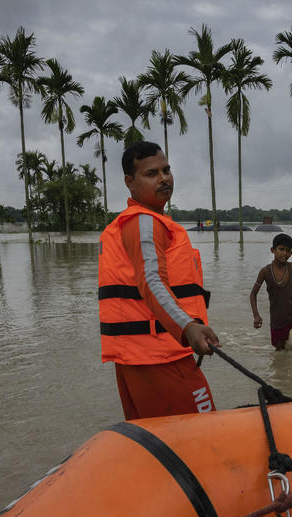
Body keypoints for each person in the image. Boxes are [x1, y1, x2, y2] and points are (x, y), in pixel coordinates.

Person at [98, 140, 221, 420]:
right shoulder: (143, 221)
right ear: (130, 182)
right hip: (161, 359)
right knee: (206, 432)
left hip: (138, 360)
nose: (164, 178)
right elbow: (151, 281)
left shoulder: (145, 221)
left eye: (166, 170)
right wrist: (187, 326)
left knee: (158, 443)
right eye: (151, 174)